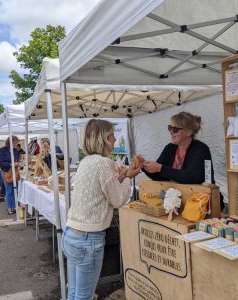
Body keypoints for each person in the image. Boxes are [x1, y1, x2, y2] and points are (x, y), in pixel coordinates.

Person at [62, 119, 140, 300]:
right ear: (105, 138)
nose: (114, 139)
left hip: (72, 235)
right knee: (84, 296)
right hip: (88, 239)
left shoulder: (86, 161)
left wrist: (122, 175)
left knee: (73, 293)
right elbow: (119, 199)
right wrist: (128, 177)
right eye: (112, 135)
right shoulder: (105, 163)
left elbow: (104, 189)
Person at [139, 112, 220, 199]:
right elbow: (158, 175)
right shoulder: (170, 148)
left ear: (189, 132)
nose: (171, 132)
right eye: (170, 128)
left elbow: (191, 177)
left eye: (175, 129)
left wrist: (160, 168)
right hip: (179, 201)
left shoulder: (201, 149)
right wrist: (143, 165)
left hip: (203, 202)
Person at [0, 136, 20, 215]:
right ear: (10, 142)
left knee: (15, 190)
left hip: (15, 172)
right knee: (9, 190)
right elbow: (0, 164)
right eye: (14, 142)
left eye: (16, 142)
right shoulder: (3, 150)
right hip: (6, 172)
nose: (16, 144)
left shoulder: (15, 151)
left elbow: (17, 160)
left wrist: (18, 164)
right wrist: (11, 164)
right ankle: (9, 208)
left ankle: (14, 206)